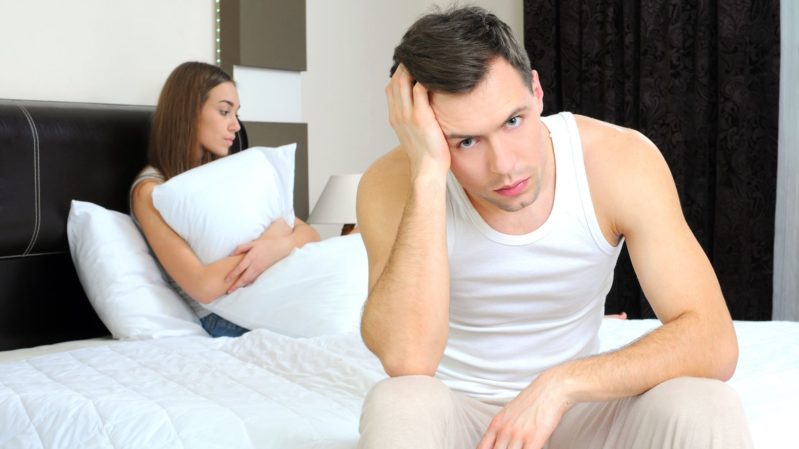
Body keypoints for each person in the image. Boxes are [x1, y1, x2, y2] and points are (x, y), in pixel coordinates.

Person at [356, 6, 752, 449]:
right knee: (398, 401)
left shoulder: (618, 160)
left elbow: (713, 340)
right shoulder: (390, 185)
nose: (505, 167)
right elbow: (407, 358)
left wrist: (560, 385)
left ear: (538, 92)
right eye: (465, 141)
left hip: (581, 409)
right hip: (460, 416)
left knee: (706, 402)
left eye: (513, 121)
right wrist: (428, 172)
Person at [131, 61, 319, 337]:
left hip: (269, 292)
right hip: (223, 314)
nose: (235, 126)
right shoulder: (151, 191)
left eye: (236, 113)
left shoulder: (226, 173)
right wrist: (271, 240)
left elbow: (310, 234)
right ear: (188, 113)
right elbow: (202, 286)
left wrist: (275, 248)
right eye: (224, 111)